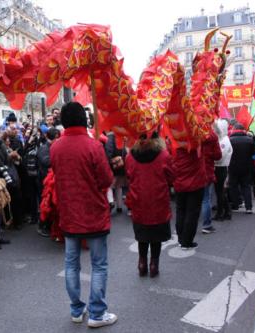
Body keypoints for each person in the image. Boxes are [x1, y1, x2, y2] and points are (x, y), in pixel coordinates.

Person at [51, 102, 117, 328]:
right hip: (93, 214)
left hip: (69, 214)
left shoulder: (55, 147)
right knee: (99, 264)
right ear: (84, 120)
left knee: (71, 264)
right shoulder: (93, 146)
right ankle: (97, 313)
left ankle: (76, 310)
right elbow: (107, 179)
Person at [125, 132, 174, 277]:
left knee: (142, 234)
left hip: (139, 200)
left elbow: (129, 176)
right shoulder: (164, 155)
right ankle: (154, 264)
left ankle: (142, 263)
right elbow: (171, 176)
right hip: (158, 200)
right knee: (156, 236)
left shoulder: (130, 157)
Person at [174, 143, 206, 250]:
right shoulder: (197, 145)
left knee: (180, 210)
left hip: (180, 182)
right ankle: (187, 241)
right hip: (195, 183)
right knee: (192, 213)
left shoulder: (175, 145)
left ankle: (181, 238)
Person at [228, 124, 255, 213]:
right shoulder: (249, 140)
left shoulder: (230, 140)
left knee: (233, 186)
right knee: (246, 186)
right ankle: (248, 207)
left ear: (234, 130)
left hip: (233, 166)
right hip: (246, 166)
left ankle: (236, 205)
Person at [200, 130, 222, 234]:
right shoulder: (213, 136)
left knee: (195, 199)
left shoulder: (193, 133)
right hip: (207, 170)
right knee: (206, 199)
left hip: (194, 170)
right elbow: (218, 155)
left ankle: (189, 225)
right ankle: (206, 225)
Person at [213, 119, 233, 221]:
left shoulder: (224, 141)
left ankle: (222, 212)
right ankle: (226, 212)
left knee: (220, 192)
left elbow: (220, 156)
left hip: (221, 168)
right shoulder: (222, 139)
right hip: (219, 167)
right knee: (220, 192)